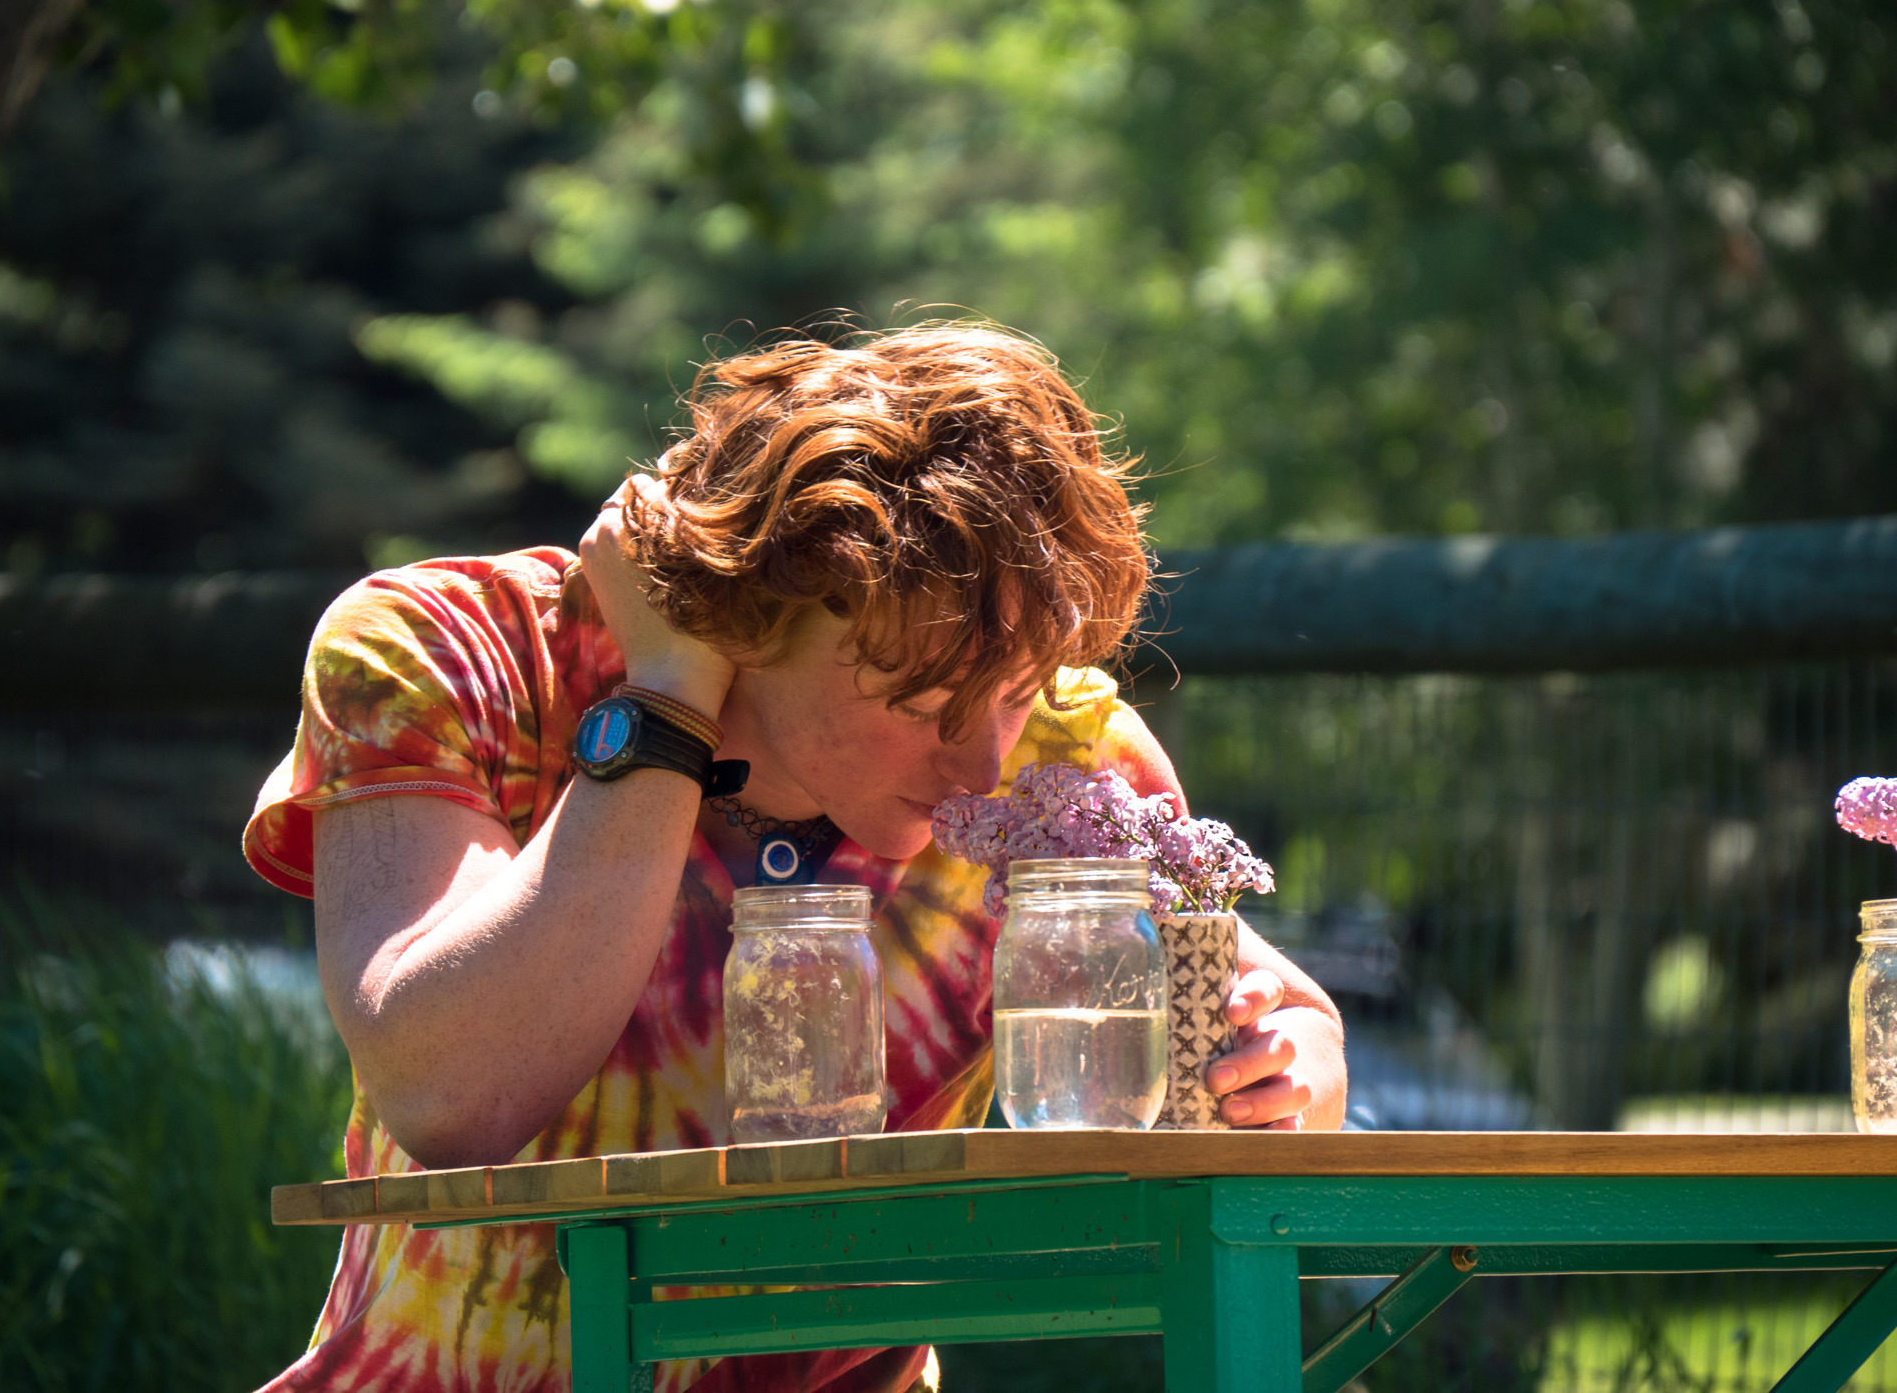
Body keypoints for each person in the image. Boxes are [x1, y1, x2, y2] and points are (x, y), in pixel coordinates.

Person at [242, 322, 1346, 1392]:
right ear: (753, 614)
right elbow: (450, 1095)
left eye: (1012, 692)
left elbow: (1295, 1027)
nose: (983, 760)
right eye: (921, 700)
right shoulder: (443, 650)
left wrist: (1274, 1072)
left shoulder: (1062, 761)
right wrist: (667, 703)